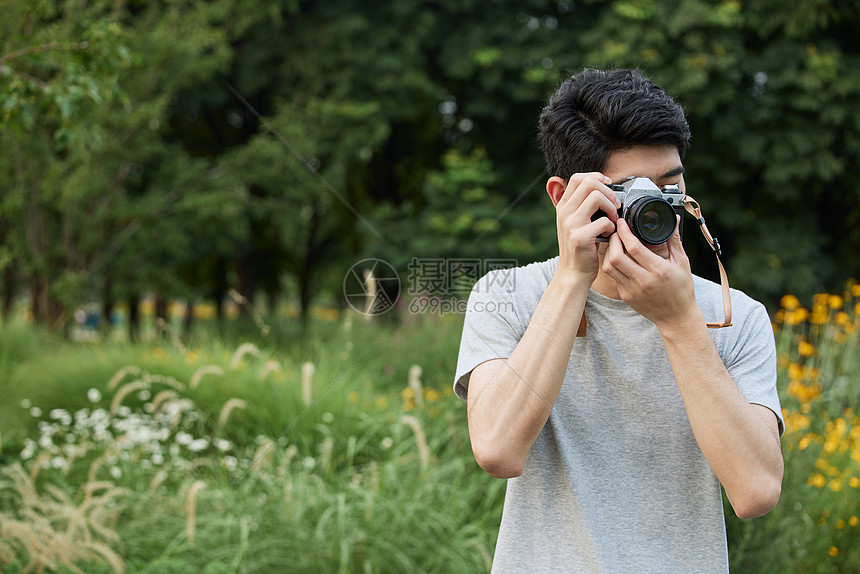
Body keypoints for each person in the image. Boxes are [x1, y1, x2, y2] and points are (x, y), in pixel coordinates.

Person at [454, 68, 784, 573]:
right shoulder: (507, 296)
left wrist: (679, 324)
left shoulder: (736, 317)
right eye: (630, 193)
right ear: (564, 198)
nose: (655, 207)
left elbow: (756, 491)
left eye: (669, 187)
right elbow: (498, 450)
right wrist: (571, 280)